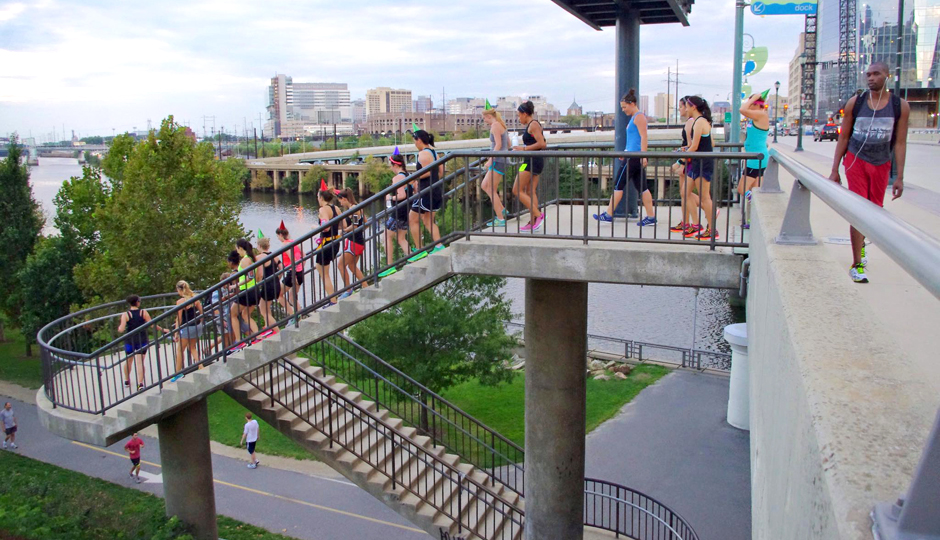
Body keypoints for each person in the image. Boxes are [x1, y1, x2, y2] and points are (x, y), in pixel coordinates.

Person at [830, 61, 909, 284]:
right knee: (859, 211)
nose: (871, 78)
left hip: (881, 163)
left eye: (876, 74)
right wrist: (835, 170)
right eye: (868, 74)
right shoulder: (856, 103)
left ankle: (861, 246)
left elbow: (900, 142)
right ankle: (857, 264)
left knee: (874, 212)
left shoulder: (899, 106)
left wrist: (900, 177)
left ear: (887, 76)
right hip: (856, 160)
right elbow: (844, 137)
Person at [593, 89, 656, 225]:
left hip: (633, 157)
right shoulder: (636, 117)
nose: (623, 110)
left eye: (624, 107)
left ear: (632, 104)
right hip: (633, 155)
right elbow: (635, 139)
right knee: (643, 187)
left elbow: (644, 137)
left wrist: (644, 155)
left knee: (618, 184)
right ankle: (651, 217)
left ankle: (609, 214)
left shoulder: (639, 117)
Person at [684, 96, 719, 240]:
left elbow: (694, 146)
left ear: (693, 107)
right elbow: (711, 143)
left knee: (705, 198)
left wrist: (680, 159)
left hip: (703, 163)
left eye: (687, 106)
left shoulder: (699, 122)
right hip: (698, 162)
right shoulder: (702, 121)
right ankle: (698, 224)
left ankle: (712, 230)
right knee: (685, 192)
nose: (686, 109)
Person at [408, 129, 446, 261]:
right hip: (435, 190)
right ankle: (439, 245)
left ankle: (419, 249)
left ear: (418, 140)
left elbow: (427, 172)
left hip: (425, 192)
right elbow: (441, 171)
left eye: (414, 141)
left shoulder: (423, 153)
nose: (414, 144)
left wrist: (413, 178)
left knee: (412, 219)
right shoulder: (434, 152)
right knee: (428, 220)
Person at [117, 295, 167, 392]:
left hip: (130, 340)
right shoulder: (143, 312)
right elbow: (152, 324)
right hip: (142, 339)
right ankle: (140, 383)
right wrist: (163, 329)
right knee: (140, 362)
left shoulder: (126, 314)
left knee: (129, 360)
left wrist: (119, 328)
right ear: (137, 302)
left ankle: (127, 380)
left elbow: (121, 329)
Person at [738, 92, 771, 230]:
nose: (749, 106)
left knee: (742, 189)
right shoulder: (756, 117)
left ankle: (757, 205)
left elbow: (742, 109)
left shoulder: (761, 115)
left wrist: (754, 98)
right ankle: (753, 220)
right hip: (755, 157)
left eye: (751, 104)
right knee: (755, 190)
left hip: (756, 159)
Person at [512, 100, 546, 231]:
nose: (518, 118)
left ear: (525, 114)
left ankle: (538, 215)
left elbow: (542, 144)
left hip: (532, 161)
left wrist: (524, 149)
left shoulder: (534, 125)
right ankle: (533, 222)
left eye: (519, 115)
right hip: (529, 160)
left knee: (516, 190)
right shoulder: (530, 125)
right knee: (530, 191)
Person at [380, 151, 413, 277]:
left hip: (399, 211)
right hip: (407, 210)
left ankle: (390, 266)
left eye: (391, 165)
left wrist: (390, 198)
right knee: (401, 237)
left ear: (395, 165)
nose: (390, 168)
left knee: (386, 236)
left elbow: (402, 195)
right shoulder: (408, 175)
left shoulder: (397, 178)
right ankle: (412, 257)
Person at [670, 97, 700, 233]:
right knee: (684, 194)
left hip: (688, 161)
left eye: (682, 107)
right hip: (687, 159)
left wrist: (681, 162)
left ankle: (696, 220)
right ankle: (686, 222)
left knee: (686, 193)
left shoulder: (691, 122)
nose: (681, 109)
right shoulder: (692, 122)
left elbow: (690, 145)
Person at [481, 104, 510, 227]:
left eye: (484, 118)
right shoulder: (500, 125)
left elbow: (498, 145)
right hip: (500, 160)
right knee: (484, 186)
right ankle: (501, 209)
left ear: (489, 116)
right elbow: (508, 144)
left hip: (498, 161)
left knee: (490, 189)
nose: (484, 121)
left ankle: (500, 218)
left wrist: (490, 160)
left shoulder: (495, 126)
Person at [170, 280, 203, 382]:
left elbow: (179, 318)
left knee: (180, 350)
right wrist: (200, 323)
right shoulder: (195, 298)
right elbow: (201, 312)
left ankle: (178, 373)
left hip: (187, 327)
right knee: (192, 347)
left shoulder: (180, 302)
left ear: (179, 289)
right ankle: (200, 365)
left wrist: (176, 332)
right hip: (196, 325)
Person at [337, 188, 368, 298]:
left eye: (340, 201)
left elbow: (354, 226)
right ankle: (365, 286)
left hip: (354, 242)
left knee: (340, 265)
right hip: (359, 241)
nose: (340, 203)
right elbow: (365, 222)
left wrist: (344, 231)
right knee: (352, 266)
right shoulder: (358, 206)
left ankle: (348, 290)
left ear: (344, 199)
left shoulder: (353, 209)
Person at [314, 189, 343, 302]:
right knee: (323, 270)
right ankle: (333, 298)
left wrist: (316, 228)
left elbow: (326, 227)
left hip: (326, 243)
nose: (317, 199)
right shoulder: (336, 208)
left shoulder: (322, 209)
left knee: (324, 274)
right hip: (335, 242)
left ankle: (333, 300)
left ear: (321, 198)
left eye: (318, 197)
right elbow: (343, 225)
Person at [234, 238, 262, 338]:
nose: (237, 251)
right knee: (245, 314)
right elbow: (258, 276)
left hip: (246, 290)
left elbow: (250, 277)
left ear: (240, 248)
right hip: (254, 290)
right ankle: (258, 335)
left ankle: (238, 340)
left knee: (232, 314)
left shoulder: (245, 260)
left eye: (237, 249)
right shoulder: (253, 259)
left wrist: (236, 285)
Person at [276, 223, 304, 317]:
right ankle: (299, 315)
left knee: (278, 294)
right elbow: (304, 256)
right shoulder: (294, 242)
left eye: (277, 236)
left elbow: (293, 259)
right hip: (299, 272)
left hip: (292, 273)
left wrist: (294, 273)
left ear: (280, 235)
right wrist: (300, 269)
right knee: (292, 298)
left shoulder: (284, 245)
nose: (278, 238)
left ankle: (292, 315)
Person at [256, 237, 282, 329]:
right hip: (276, 284)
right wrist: (277, 278)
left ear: (259, 246)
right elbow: (281, 268)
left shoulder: (259, 257)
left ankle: (276, 329)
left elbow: (260, 274)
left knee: (263, 310)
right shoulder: (275, 256)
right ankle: (268, 326)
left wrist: (258, 283)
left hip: (267, 285)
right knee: (266, 308)